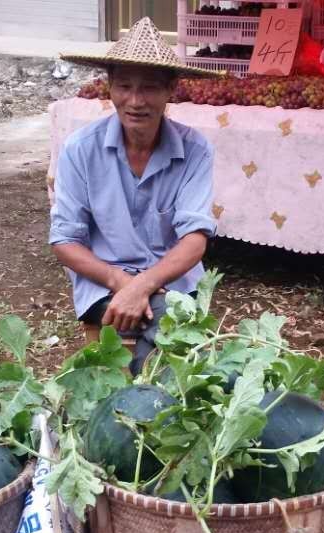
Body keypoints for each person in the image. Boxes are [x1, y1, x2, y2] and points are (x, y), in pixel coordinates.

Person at [52, 18, 221, 375]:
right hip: (104, 283)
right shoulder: (80, 150)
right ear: (109, 87)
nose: (135, 101)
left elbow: (194, 240)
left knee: (166, 321)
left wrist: (143, 286)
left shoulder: (195, 149)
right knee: (167, 328)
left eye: (149, 88)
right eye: (124, 86)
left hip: (173, 282)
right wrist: (122, 284)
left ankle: (139, 406)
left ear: (171, 90)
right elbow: (65, 242)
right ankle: (154, 409)